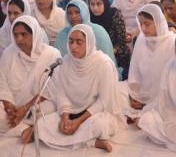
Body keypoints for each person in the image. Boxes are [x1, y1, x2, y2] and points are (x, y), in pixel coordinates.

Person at [37, 24, 125, 152]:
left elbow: (103, 101)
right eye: (71, 41)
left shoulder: (103, 64)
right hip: (71, 111)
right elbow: (62, 94)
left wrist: (78, 122)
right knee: (42, 123)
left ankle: (82, 139)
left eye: (79, 42)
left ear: (89, 42)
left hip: (95, 113)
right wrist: (65, 117)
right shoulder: (66, 61)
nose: (73, 47)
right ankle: (92, 141)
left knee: (100, 126)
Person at [0, 16, 61, 139]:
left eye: (24, 34)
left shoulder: (51, 54)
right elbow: (2, 84)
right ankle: (25, 129)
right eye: (16, 35)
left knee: (49, 109)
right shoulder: (9, 53)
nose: (19, 39)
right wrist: (10, 107)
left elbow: (51, 91)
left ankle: (21, 127)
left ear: (35, 34)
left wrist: (24, 109)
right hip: (12, 105)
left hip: (36, 105)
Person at [124, 4, 176, 120]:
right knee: (118, 92)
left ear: (158, 23)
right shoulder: (141, 40)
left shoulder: (172, 43)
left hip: (163, 98)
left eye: (147, 24)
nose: (143, 28)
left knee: (152, 118)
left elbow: (172, 82)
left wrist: (149, 102)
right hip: (142, 94)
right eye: (141, 24)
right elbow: (135, 72)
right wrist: (134, 96)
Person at [55, 0, 115, 65]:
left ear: (84, 12)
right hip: (69, 72)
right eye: (69, 13)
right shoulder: (63, 35)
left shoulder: (98, 32)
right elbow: (59, 62)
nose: (73, 16)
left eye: (77, 12)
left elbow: (107, 61)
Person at [88, 0, 130, 79]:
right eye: (92, 4)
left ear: (105, 3)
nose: (95, 8)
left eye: (98, 4)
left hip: (117, 55)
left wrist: (107, 53)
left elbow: (121, 41)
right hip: (94, 56)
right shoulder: (88, 16)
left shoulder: (114, 14)